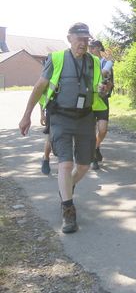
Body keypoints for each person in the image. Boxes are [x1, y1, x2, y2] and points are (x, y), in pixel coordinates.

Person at [19, 22, 109, 234]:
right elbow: (39, 86)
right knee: (65, 165)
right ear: (69, 38)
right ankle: (68, 209)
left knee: (85, 165)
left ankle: (66, 188)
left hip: (86, 118)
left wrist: (102, 90)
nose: (83, 43)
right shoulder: (57, 58)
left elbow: (98, 88)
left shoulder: (94, 62)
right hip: (60, 117)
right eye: (79, 39)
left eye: (86, 39)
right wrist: (27, 115)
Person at [88, 39, 113, 170]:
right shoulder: (86, 63)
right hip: (89, 101)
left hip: (102, 100)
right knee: (91, 130)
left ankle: (96, 146)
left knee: (103, 130)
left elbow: (110, 83)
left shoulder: (106, 63)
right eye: (89, 47)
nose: (89, 50)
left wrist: (106, 89)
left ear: (98, 48)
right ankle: (92, 157)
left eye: (92, 47)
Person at [39, 104, 52, 175]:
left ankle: (63, 166)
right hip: (53, 111)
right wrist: (42, 114)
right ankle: (46, 159)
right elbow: (42, 98)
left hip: (71, 114)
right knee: (50, 139)